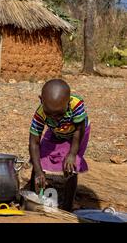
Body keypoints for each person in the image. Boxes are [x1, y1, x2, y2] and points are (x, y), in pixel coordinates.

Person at [29, 79, 90, 211]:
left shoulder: (76, 105)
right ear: (41, 100)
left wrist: (72, 154)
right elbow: (34, 143)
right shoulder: (40, 114)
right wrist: (39, 171)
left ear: (67, 102)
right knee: (38, 159)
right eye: (49, 113)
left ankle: (67, 206)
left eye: (59, 114)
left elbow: (79, 129)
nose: (55, 117)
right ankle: (32, 197)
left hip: (78, 132)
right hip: (55, 131)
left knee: (70, 167)